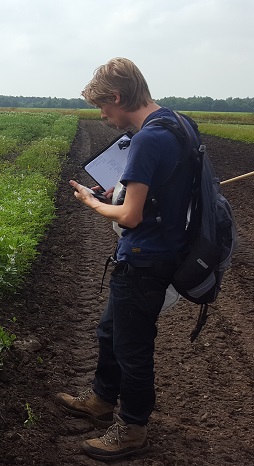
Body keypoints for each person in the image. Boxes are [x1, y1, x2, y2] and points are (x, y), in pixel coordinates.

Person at [56, 57, 197, 460]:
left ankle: (132, 429)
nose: (103, 116)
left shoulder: (148, 138)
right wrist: (112, 197)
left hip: (146, 256)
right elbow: (158, 194)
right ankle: (101, 399)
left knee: (132, 348)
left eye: (103, 107)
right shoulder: (177, 123)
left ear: (118, 97)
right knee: (109, 332)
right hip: (159, 249)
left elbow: (130, 215)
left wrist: (92, 203)